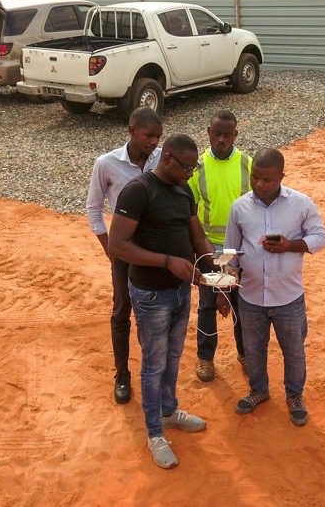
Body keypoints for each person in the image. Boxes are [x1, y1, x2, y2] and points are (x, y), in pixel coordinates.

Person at [109, 133, 216, 469]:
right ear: (166, 158)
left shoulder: (184, 189)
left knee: (172, 356)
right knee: (154, 365)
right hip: (151, 294)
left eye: (193, 167)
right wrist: (168, 261)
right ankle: (154, 432)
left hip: (182, 290)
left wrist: (215, 266)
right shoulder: (139, 191)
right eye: (186, 166)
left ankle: (168, 411)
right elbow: (118, 245)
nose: (190, 173)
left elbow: (196, 234)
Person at [223, 148, 325, 427]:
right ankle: (258, 390)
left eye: (267, 180)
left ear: (281, 176)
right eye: (255, 178)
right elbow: (231, 250)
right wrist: (224, 284)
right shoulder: (239, 207)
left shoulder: (301, 204)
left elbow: (320, 236)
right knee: (253, 349)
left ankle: (295, 396)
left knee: (293, 351)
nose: (259, 184)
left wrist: (290, 246)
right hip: (250, 296)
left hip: (288, 297)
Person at [85, 107, 163, 405]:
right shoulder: (106, 164)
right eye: (148, 136)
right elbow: (93, 208)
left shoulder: (161, 158)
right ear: (131, 130)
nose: (154, 142)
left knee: (154, 313)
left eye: (157, 136)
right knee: (122, 311)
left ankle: (152, 373)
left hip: (156, 248)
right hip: (124, 251)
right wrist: (109, 247)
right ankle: (121, 373)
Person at [188, 110, 252, 382]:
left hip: (239, 251)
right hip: (208, 249)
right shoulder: (198, 167)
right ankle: (205, 358)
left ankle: (246, 353)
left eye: (228, 134)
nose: (222, 139)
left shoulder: (248, 164)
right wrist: (198, 252)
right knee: (206, 305)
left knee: (241, 304)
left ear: (236, 135)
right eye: (217, 134)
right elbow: (189, 210)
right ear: (208, 133)